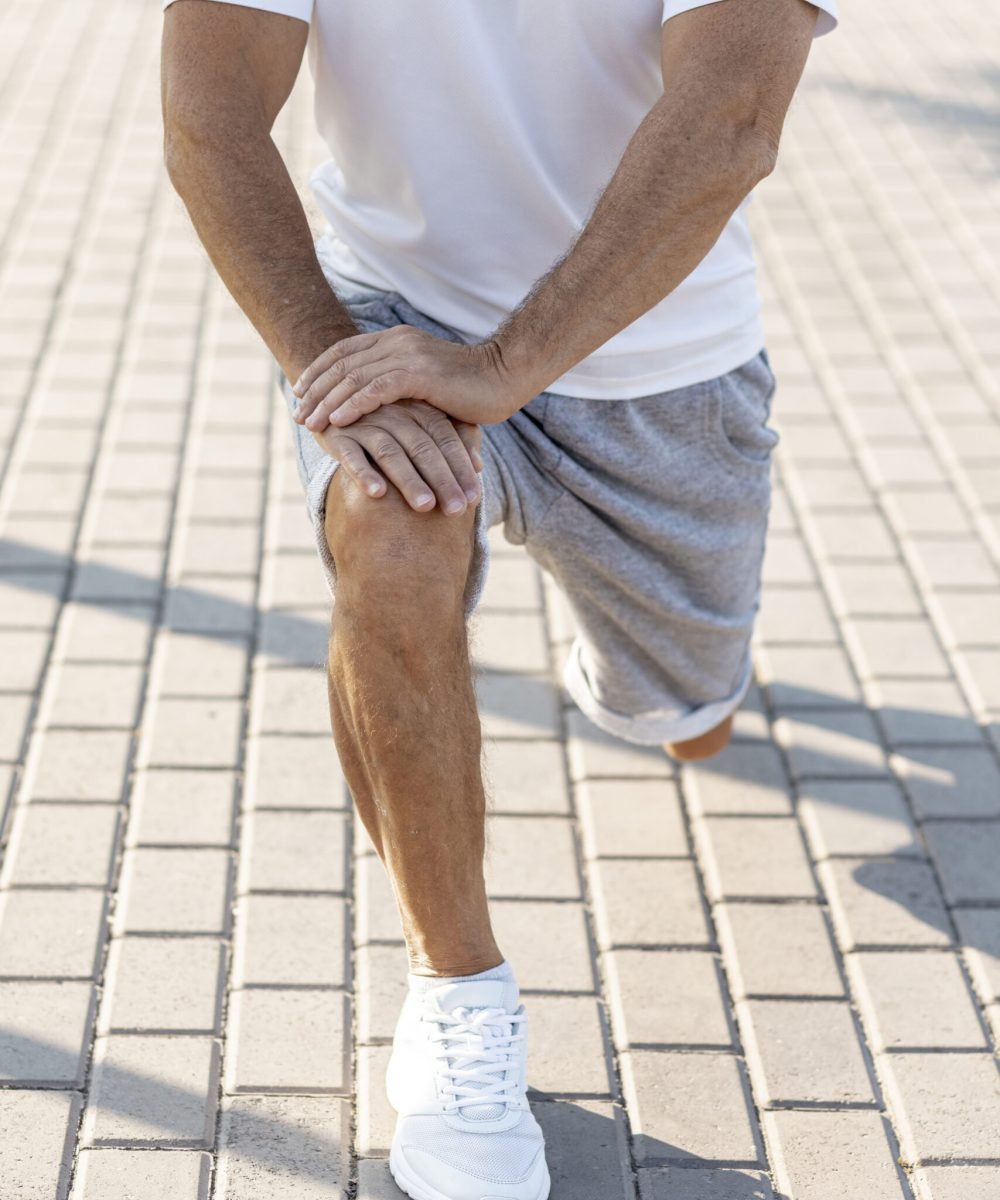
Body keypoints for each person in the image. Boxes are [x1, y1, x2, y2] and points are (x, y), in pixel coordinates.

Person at [161, 1, 837, 1196]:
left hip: (656, 368)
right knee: (388, 535)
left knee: (690, 722)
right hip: (394, 322)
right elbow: (210, 113)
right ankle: (457, 994)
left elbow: (732, 118)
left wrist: (503, 369)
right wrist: (330, 360)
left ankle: (642, 683)